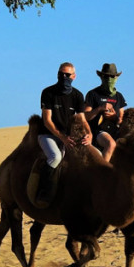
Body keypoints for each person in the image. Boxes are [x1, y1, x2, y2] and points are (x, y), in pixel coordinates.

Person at [37, 62, 92, 205]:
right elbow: (47, 121)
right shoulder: (48, 93)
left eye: (67, 75)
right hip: (48, 134)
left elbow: (82, 119)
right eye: (61, 74)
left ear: (74, 76)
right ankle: (43, 192)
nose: (64, 77)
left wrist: (89, 134)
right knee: (55, 157)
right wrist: (62, 137)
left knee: (91, 156)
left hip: (69, 137)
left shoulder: (78, 95)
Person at [84, 62, 127, 162]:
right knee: (111, 144)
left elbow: (122, 118)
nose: (109, 79)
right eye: (106, 76)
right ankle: (103, 172)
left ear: (116, 78)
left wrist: (114, 117)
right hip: (97, 131)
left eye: (112, 76)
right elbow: (85, 116)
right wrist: (99, 109)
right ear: (101, 77)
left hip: (115, 131)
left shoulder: (119, 97)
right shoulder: (93, 94)